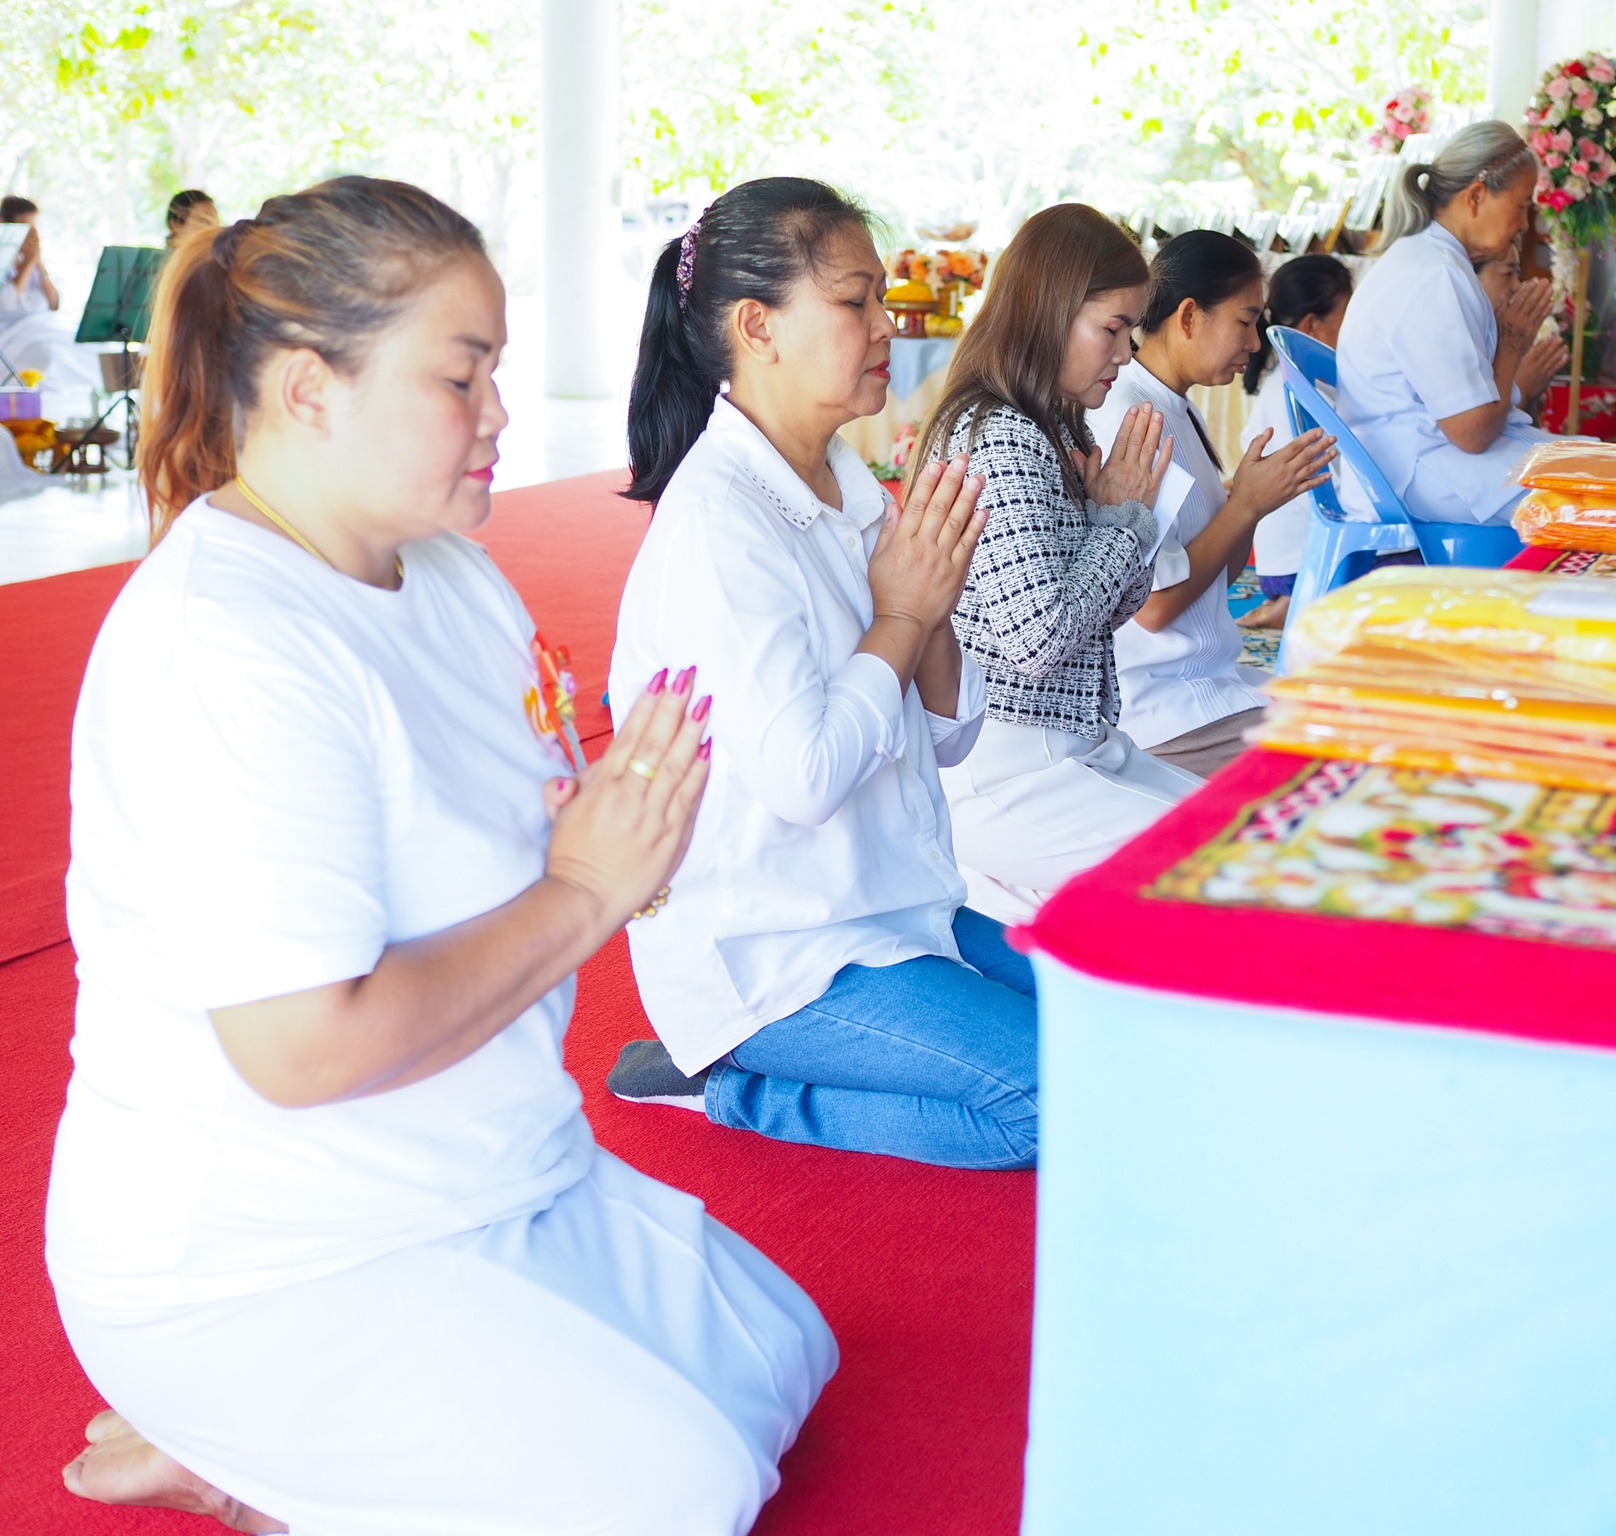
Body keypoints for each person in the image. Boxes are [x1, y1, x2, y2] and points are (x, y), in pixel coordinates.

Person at [48, 176, 833, 1535]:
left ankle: (315, 1454)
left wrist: (625, 841)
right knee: (688, 1493)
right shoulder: (223, 641)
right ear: (308, 390)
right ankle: (244, 1446)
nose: (500, 420)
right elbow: (305, 1052)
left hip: (498, 1164)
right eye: (461, 379)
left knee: (785, 1359)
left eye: (498, 376)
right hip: (274, 1251)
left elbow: (539, 839)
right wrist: (584, 888)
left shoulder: (453, 571)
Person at [604, 177, 1040, 1171]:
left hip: (890, 902)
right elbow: (805, 778)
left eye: (878, 298)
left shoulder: (850, 484)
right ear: (756, 327)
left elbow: (947, 736)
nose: (886, 325)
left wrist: (920, 612)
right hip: (775, 947)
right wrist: (902, 613)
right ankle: (732, 1086)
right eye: (854, 301)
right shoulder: (720, 525)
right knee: (1059, 1104)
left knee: (1119, 1033)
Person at [915, 203, 1202, 922]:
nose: (1127, 354)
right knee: (1216, 865)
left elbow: (1111, 608)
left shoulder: (1043, 421)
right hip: (1011, 767)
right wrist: (1121, 521)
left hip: (1071, 744)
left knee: (1236, 831)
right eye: (1112, 329)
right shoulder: (1001, 436)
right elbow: (1038, 639)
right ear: (1048, 312)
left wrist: (1123, 521)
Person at [1087, 231, 1337, 776]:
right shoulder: (1133, 417)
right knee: (1347, 757)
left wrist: (1251, 504)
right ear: (1189, 317)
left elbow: (1218, 571)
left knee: (1354, 716)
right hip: (1163, 706)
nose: (1255, 344)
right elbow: (1152, 608)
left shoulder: (1177, 408)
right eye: (1245, 322)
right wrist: (1244, 506)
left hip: (1207, 679)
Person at [1335, 119, 1555, 527]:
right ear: (1476, 197)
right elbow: (1472, 434)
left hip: (1426, 463)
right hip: (1417, 475)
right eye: (1522, 205)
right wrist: (1512, 342)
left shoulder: (1431, 260)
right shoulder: (1434, 274)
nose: (1525, 224)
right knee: (1599, 496)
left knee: (1597, 465)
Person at [1236, 252, 1354, 630]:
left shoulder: (1301, 382)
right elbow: (1312, 490)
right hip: (1296, 561)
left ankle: (1292, 602)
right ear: (1312, 325)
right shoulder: (1291, 390)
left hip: (1292, 560)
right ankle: (1295, 600)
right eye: (1347, 317)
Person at [0, 194, 102, 395]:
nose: (31, 235)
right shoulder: (6, 261)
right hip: (14, 332)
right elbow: (6, 304)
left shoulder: (34, 263)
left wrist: (38, 263)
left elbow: (54, 303)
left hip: (46, 324)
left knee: (90, 347)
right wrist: (27, 264)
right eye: (25, 227)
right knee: (50, 356)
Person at [1474, 244, 1570, 428]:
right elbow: (1475, 435)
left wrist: (1530, 395)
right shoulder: (1464, 337)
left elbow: (1526, 432)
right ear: (1472, 279)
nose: (1517, 285)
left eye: (1518, 274)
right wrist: (1522, 390)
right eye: (1508, 274)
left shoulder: (1500, 335)